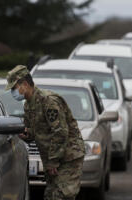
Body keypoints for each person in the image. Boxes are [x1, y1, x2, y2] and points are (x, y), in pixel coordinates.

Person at [5, 65, 85, 200]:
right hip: (52, 158)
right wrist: (25, 134)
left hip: (68, 156)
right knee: (50, 195)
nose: (13, 92)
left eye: (14, 88)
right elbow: (35, 131)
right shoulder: (29, 105)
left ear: (24, 84)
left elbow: (60, 132)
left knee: (62, 196)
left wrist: (53, 161)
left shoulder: (48, 101)